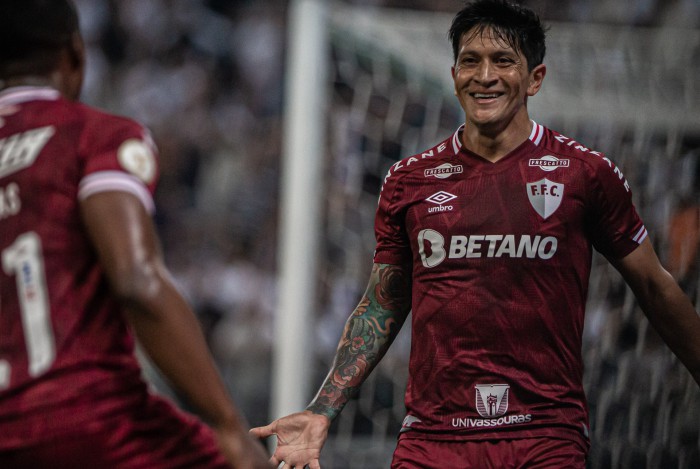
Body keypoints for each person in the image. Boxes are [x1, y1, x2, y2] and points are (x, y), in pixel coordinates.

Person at [250, 0, 700, 467]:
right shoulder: (409, 180)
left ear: (535, 79)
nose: (485, 76)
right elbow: (383, 303)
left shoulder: (584, 174)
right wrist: (322, 409)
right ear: (454, 75)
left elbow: (654, 285)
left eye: (503, 61)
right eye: (471, 61)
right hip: (432, 439)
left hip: (544, 435)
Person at [0, 1, 271, 467]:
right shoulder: (93, 135)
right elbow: (137, 281)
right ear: (76, 54)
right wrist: (228, 426)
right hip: (88, 418)